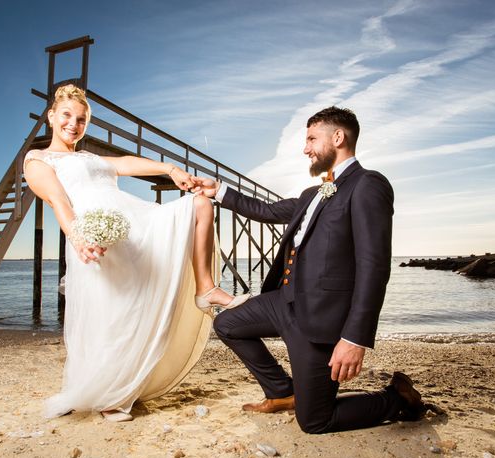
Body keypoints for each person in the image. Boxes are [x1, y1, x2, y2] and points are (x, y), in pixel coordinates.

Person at [193, 106, 427, 433]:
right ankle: (281, 391)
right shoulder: (311, 194)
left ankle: (397, 400)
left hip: (320, 321)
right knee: (228, 322)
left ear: (339, 137)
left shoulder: (367, 185)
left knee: (315, 421)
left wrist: (354, 337)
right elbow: (264, 209)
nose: (305, 148)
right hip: (283, 303)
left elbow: (373, 266)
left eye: (311, 139)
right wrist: (216, 191)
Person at [24, 84, 248, 422]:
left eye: (82, 119)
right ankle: (109, 396)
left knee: (201, 205)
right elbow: (59, 201)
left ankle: (205, 288)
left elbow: (127, 163)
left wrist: (170, 169)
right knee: (110, 313)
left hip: (132, 226)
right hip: (95, 237)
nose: (74, 124)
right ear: (52, 116)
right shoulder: (38, 159)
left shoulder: (89, 158)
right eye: (67, 116)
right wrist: (78, 237)